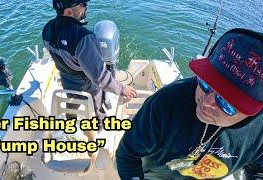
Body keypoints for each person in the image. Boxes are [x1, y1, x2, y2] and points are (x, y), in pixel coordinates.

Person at [116, 28, 263, 179]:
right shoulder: (165, 103)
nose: (206, 102)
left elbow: (259, 171)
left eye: (227, 103)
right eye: (206, 84)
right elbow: (127, 156)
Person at [42, 0, 136, 120]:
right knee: (99, 110)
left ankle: (70, 122)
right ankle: (100, 126)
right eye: (82, 4)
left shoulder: (48, 28)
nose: (86, 6)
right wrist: (123, 89)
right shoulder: (84, 38)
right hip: (87, 85)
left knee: (71, 107)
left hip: (67, 80)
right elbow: (100, 79)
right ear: (69, 11)